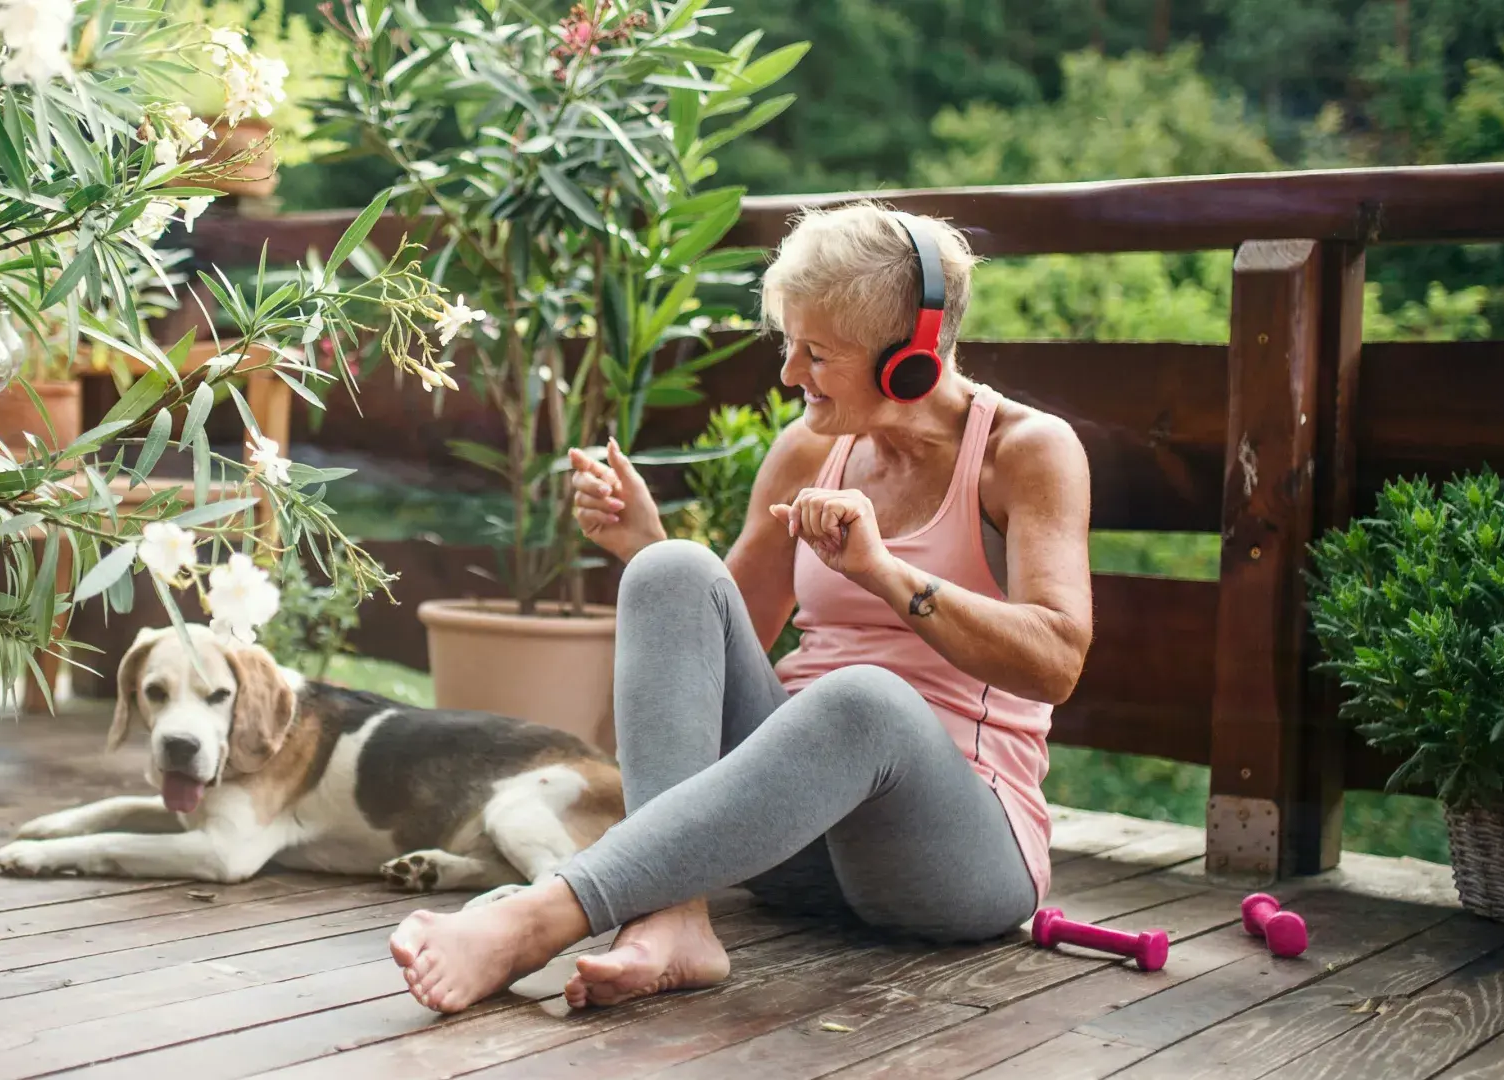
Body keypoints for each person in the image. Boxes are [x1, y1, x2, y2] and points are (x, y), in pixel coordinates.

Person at [388, 201, 1095, 1015]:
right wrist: (644, 544)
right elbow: (729, 639)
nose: (790, 373)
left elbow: (1057, 661)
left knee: (863, 698)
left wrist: (886, 574)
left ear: (909, 362)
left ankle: (541, 919)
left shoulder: (1025, 452)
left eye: (818, 354)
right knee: (672, 571)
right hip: (787, 838)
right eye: (788, 343)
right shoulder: (808, 448)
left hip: (951, 857)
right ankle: (671, 915)